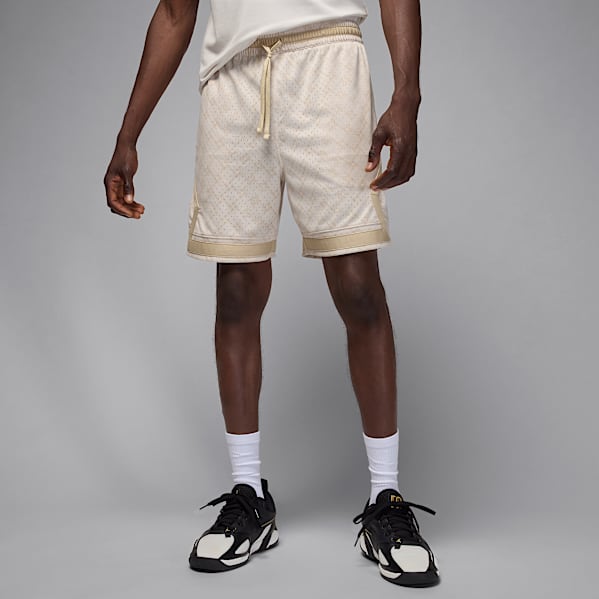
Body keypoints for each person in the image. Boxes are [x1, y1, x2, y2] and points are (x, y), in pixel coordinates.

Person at [103, 0, 440, 588]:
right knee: (235, 289)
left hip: (326, 60)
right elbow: (177, 12)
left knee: (358, 287)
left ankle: (385, 499)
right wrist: (127, 135)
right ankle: (249, 495)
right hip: (231, 76)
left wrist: (406, 93)